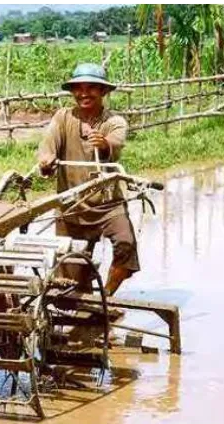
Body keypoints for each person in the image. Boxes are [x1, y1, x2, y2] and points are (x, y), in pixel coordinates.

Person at [37, 63, 139, 297]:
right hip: (71, 204)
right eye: (79, 88)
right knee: (69, 281)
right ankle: (83, 292)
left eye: (92, 88)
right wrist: (46, 160)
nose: (84, 93)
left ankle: (106, 296)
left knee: (126, 244)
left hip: (107, 204)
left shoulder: (114, 122)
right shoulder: (63, 118)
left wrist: (104, 145)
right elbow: (47, 147)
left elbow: (115, 145)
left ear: (103, 92)